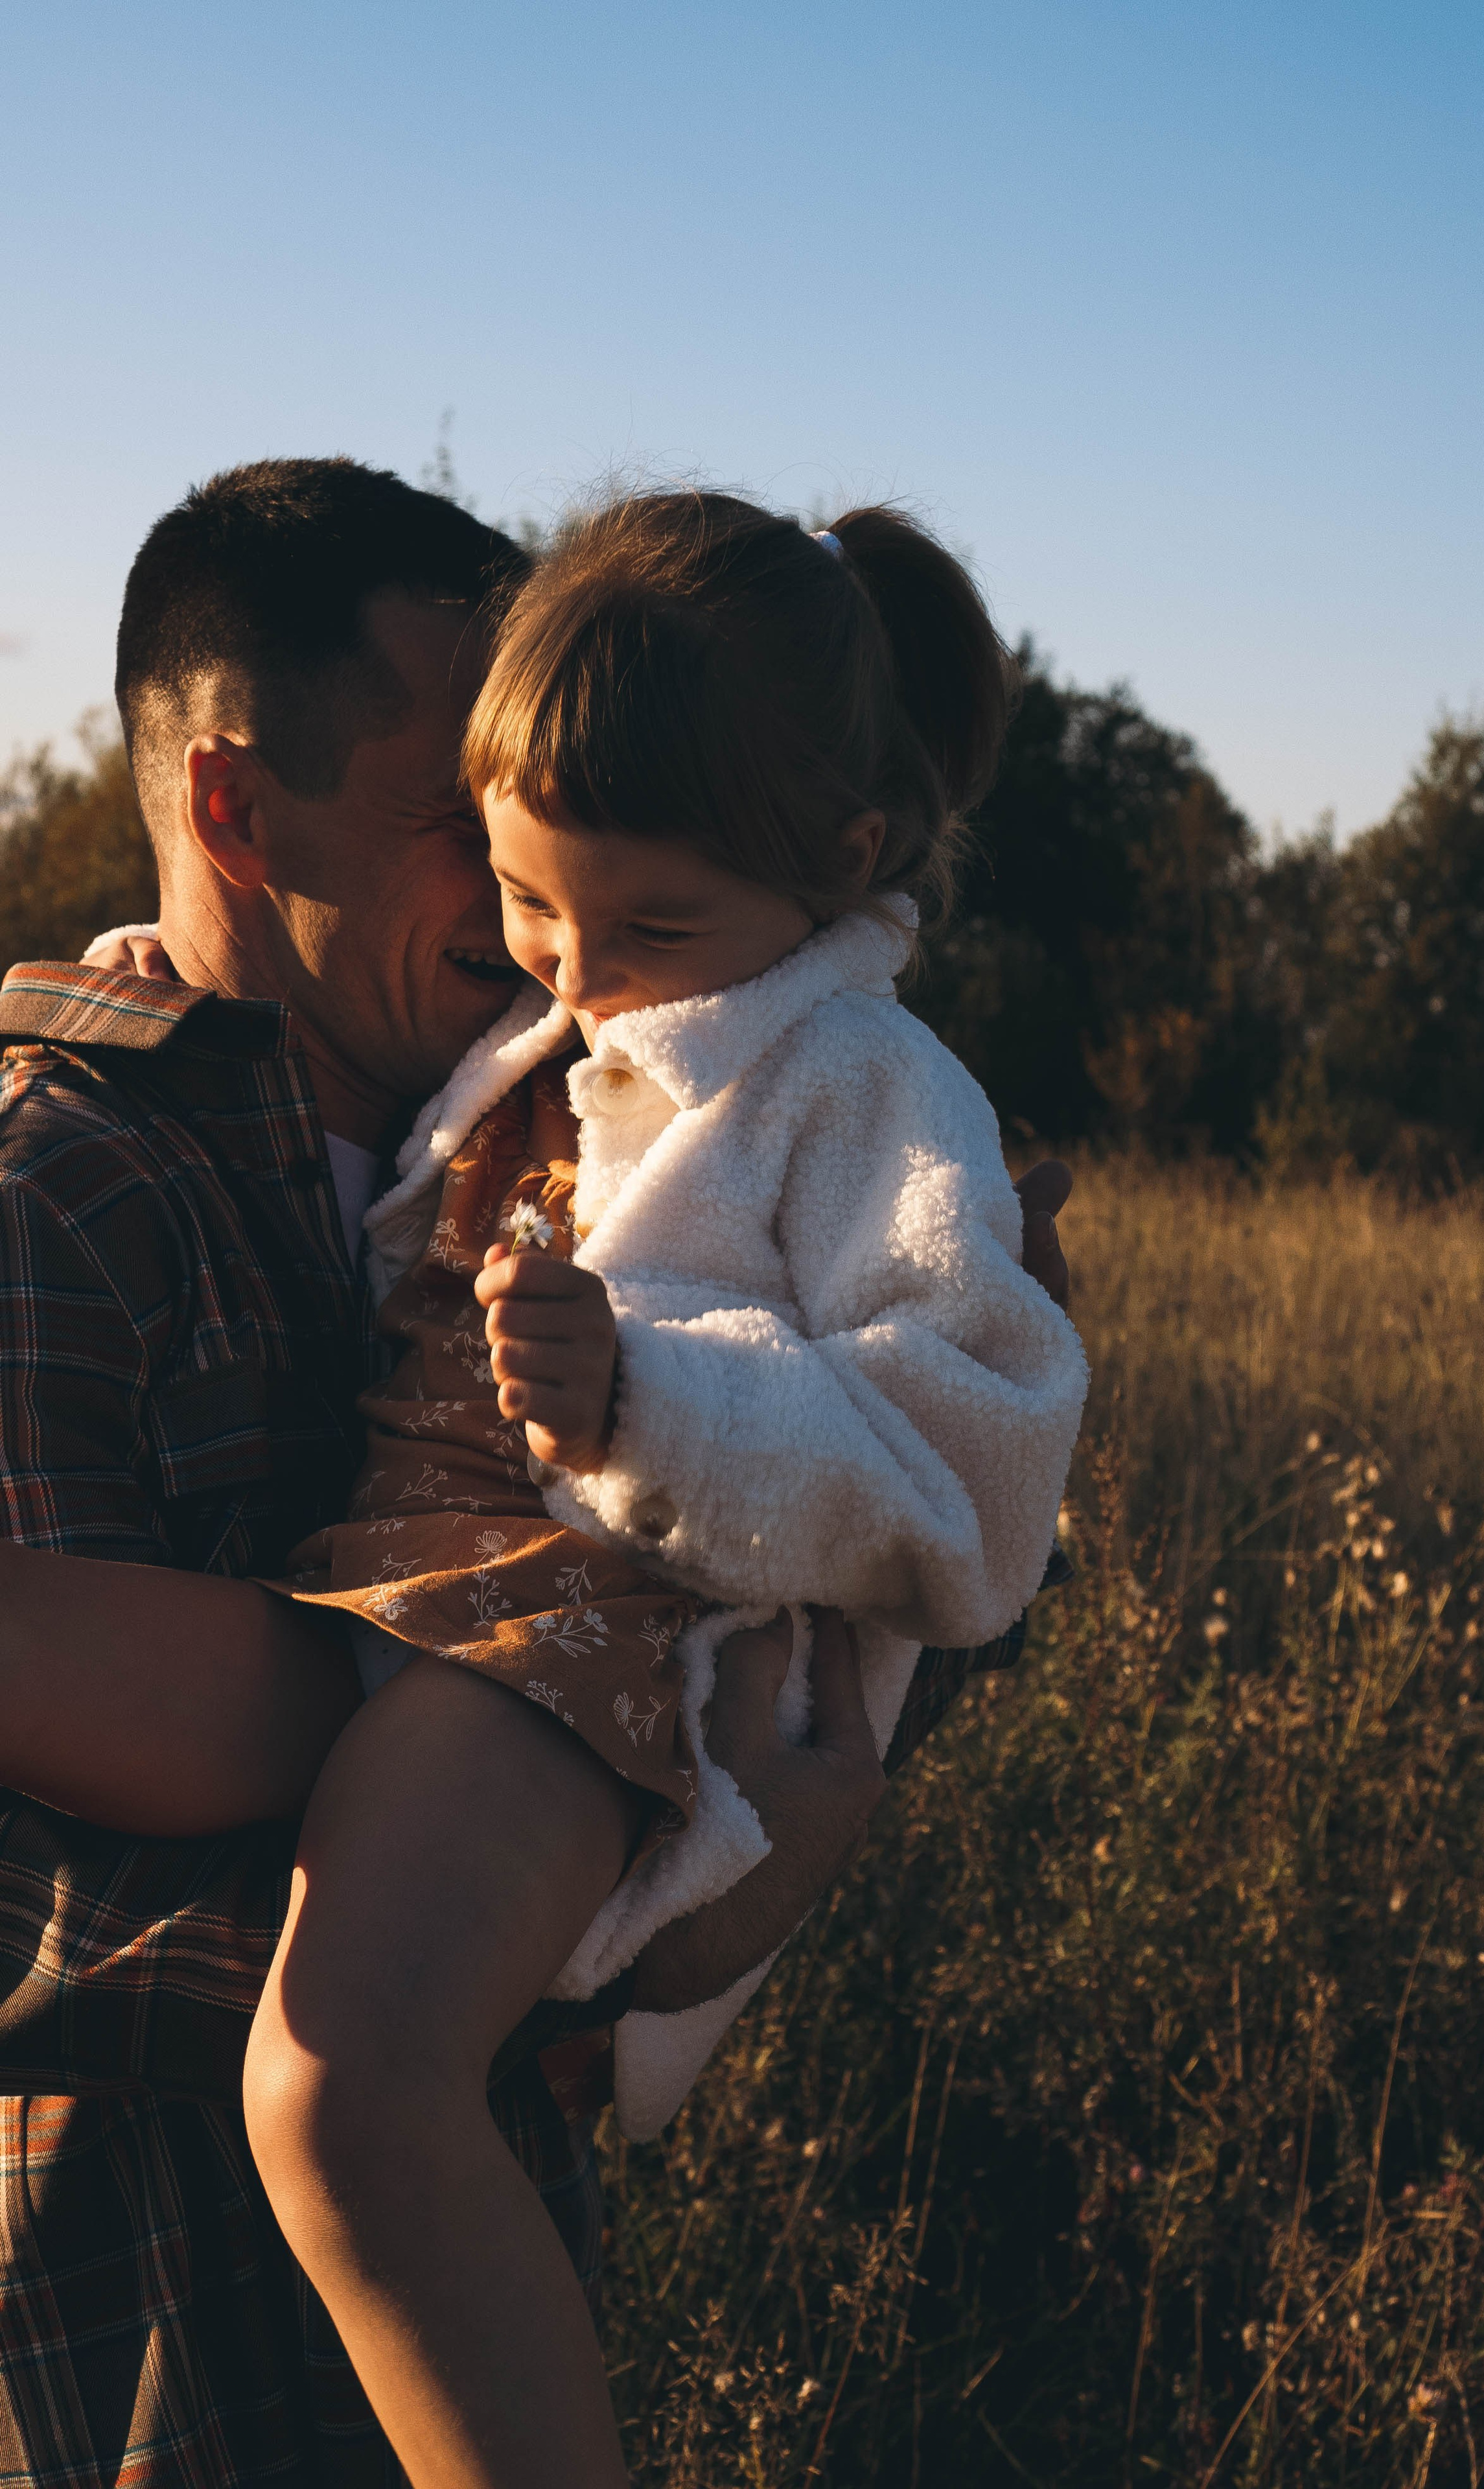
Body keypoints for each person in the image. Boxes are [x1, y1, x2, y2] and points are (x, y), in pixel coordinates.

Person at [0, 458, 1075, 2484]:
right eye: (478, 841)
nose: (562, 952)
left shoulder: (619, 1093)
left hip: (475, 2249)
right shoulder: (66, 1194)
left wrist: (737, 1812)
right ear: (239, 812)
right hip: (161, 2354)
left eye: (626, 890)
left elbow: (923, 1558)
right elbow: (41, 1920)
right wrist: (645, 1934)